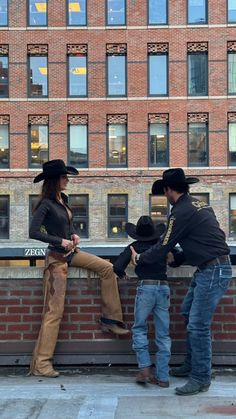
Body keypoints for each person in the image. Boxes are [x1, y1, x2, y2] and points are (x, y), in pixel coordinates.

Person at [130, 168, 232, 396]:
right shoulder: (199, 205)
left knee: (198, 325)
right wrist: (178, 259)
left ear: (168, 189)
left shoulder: (179, 212)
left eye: (164, 191)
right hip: (210, 267)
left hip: (213, 270)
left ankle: (201, 378)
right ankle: (191, 365)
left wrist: (140, 258)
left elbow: (164, 244)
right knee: (188, 312)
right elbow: (209, 239)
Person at [29, 159, 129, 378]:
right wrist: (59, 241)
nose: (67, 180)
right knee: (54, 313)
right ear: (55, 180)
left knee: (108, 269)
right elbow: (33, 232)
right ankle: (42, 364)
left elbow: (68, 224)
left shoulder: (62, 200)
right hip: (56, 259)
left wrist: (73, 234)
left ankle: (111, 319)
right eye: (64, 177)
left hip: (71, 254)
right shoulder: (46, 203)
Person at [113, 216, 171, 388]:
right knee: (163, 334)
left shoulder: (134, 247)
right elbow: (174, 260)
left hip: (146, 288)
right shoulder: (161, 245)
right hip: (163, 288)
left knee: (139, 328)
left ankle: (145, 368)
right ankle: (163, 377)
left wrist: (125, 274)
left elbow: (117, 267)